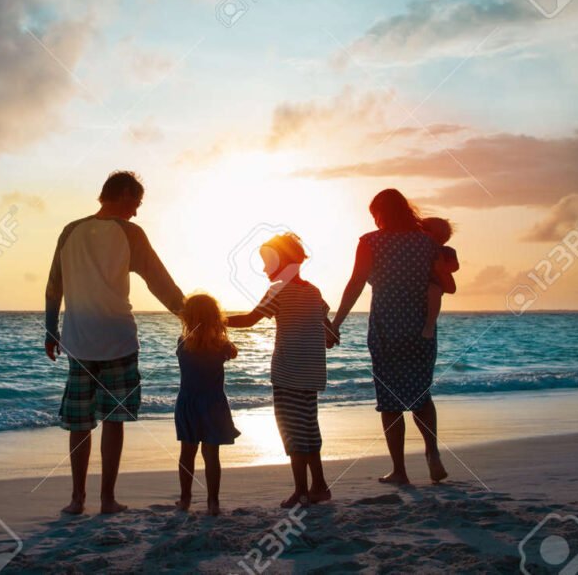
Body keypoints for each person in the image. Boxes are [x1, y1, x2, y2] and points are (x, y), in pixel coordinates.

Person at [44, 171, 184, 515]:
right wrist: (190, 317)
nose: (136, 211)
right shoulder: (129, 233)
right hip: (118, 340)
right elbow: (159, 281)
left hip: (78, 341)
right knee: (113, 420)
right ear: (122, 195)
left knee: (79, 423)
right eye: (135, 203)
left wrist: (51, 329)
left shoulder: (69, 231)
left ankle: (78, 499)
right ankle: (107, 499)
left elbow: (53, 287)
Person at [330, 189, 449, 486]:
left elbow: (356, 283)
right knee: (421, 394)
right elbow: (443, 282)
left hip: (387, 327)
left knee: (390, 401)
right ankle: (432, 453)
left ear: (382, 213)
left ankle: (400, 470)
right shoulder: (427, 242)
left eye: (375, 215)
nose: (375, 221)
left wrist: (336, 322)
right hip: (422, 327)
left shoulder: (371, 241)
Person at [226, 233, 338, 508]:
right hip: (312, 372)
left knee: (291, 431)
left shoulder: (278, 290)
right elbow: (326, 327)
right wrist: (327, 335)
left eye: (267, 262)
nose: (264, 269)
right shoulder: (313, 291)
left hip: (288, 371)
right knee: (309, 428)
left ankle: (301, 490)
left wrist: (216, 320)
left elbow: (250, 320)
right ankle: (319, 485)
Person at [174, 293, 240, 516]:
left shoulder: (182, 343)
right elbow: (234, 353)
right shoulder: (221, 346)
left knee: (187, 453)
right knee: (211, 456)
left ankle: (185, 499)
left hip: (188, 404)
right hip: (213, 404)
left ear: (187, 318)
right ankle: (213, 502)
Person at [420, 217, 460, 339]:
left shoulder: (446, 251)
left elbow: (455, 265)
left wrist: (442, 268)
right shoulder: (420, 249)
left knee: (434, 292)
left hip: (434, 282)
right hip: (420, 281)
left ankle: (430, 324)